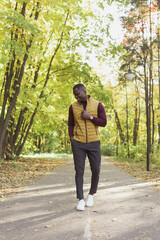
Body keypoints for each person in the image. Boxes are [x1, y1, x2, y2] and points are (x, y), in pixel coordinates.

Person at [68, 83, 107, 211]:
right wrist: (72, 138)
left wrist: (89, 117)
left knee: (96, 169)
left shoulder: (97, 104)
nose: (76, 97)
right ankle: (80, 199)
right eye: (75, 95)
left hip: (94, 142)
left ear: (84, 91)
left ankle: (91, 194)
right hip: (78, 143)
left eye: (78, 94)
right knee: (79, 171)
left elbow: (103, 122)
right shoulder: (73, 107)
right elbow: (70, 124)